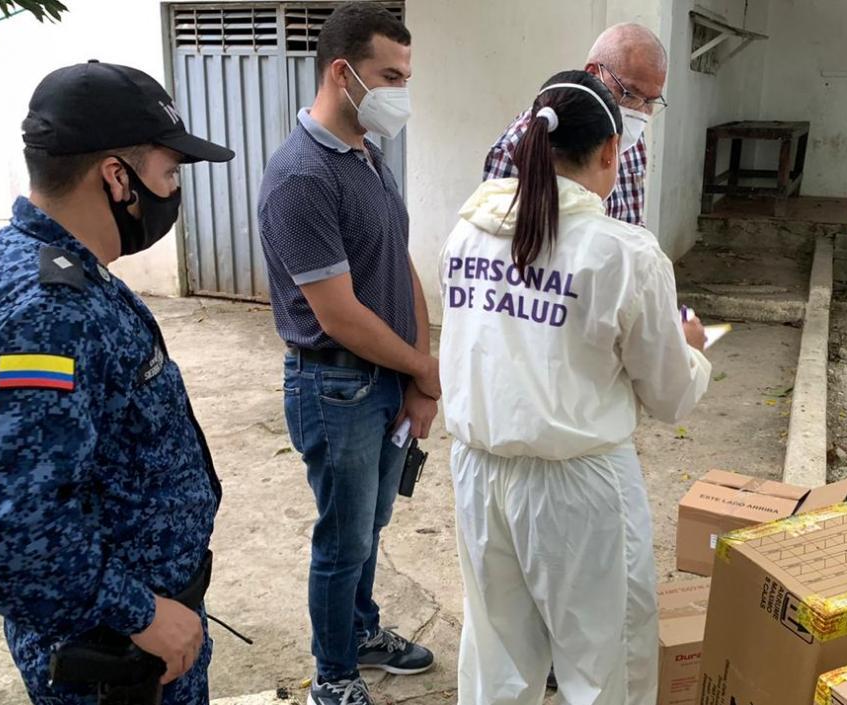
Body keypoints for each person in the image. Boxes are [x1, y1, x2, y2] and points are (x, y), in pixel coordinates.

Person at [0, 61, 235, 705]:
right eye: (169, 173)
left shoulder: (45, 262)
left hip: (134, 643)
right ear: (118, 178)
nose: (173, 191)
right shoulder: (45, 312)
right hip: (117, 660)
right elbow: (7, 533)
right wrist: (141, 613)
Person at [440, 70, 712, 705]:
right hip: (579, 488)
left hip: (479, 474)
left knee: (496, 660)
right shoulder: (623, 253)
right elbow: (669, 395)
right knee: (604, 664)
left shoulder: (467, 230)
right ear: (612, 152)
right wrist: (693, 351)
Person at [256, 3, 436, 704]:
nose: (402, 92)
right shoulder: (301, 176)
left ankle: (360, 631)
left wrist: (421, 366)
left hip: (386, 383)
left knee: (370, 524)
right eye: (390, 75)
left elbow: (399, 264)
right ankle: (332, 677)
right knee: (342, 540)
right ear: (342, 72)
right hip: (337, 390)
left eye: (407, 75)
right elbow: (340, 315)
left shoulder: (368, 153)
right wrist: (419, 367)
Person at [483, 23, 668, 228]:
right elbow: (499, 245)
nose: (640, 112)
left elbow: (632, 222)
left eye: (650, 101)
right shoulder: (516, 147)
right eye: (630, 94)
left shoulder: (632, 133)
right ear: (594, 73)